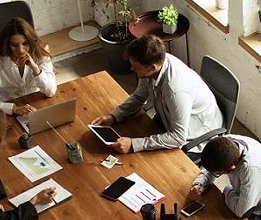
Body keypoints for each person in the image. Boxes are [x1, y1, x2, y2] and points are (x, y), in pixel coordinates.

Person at [92, 35, 223, 154]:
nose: (132, 69)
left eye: (136, 67)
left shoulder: (175, 91)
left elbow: (178, 137)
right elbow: (139, 97)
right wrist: (114, 116)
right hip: (170, 119)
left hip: (195, 135)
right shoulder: (155, 64)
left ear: (152, 68)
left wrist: (134, 144)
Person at [0, 17, 57, 116]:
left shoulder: (40, 53)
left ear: (31, 41)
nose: (21, 50)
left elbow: (51, 91)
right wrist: (14, 109)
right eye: (14, 45)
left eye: (25, 44)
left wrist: (35, 68)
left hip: (36, 104)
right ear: (7, 44)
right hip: (6, 110)